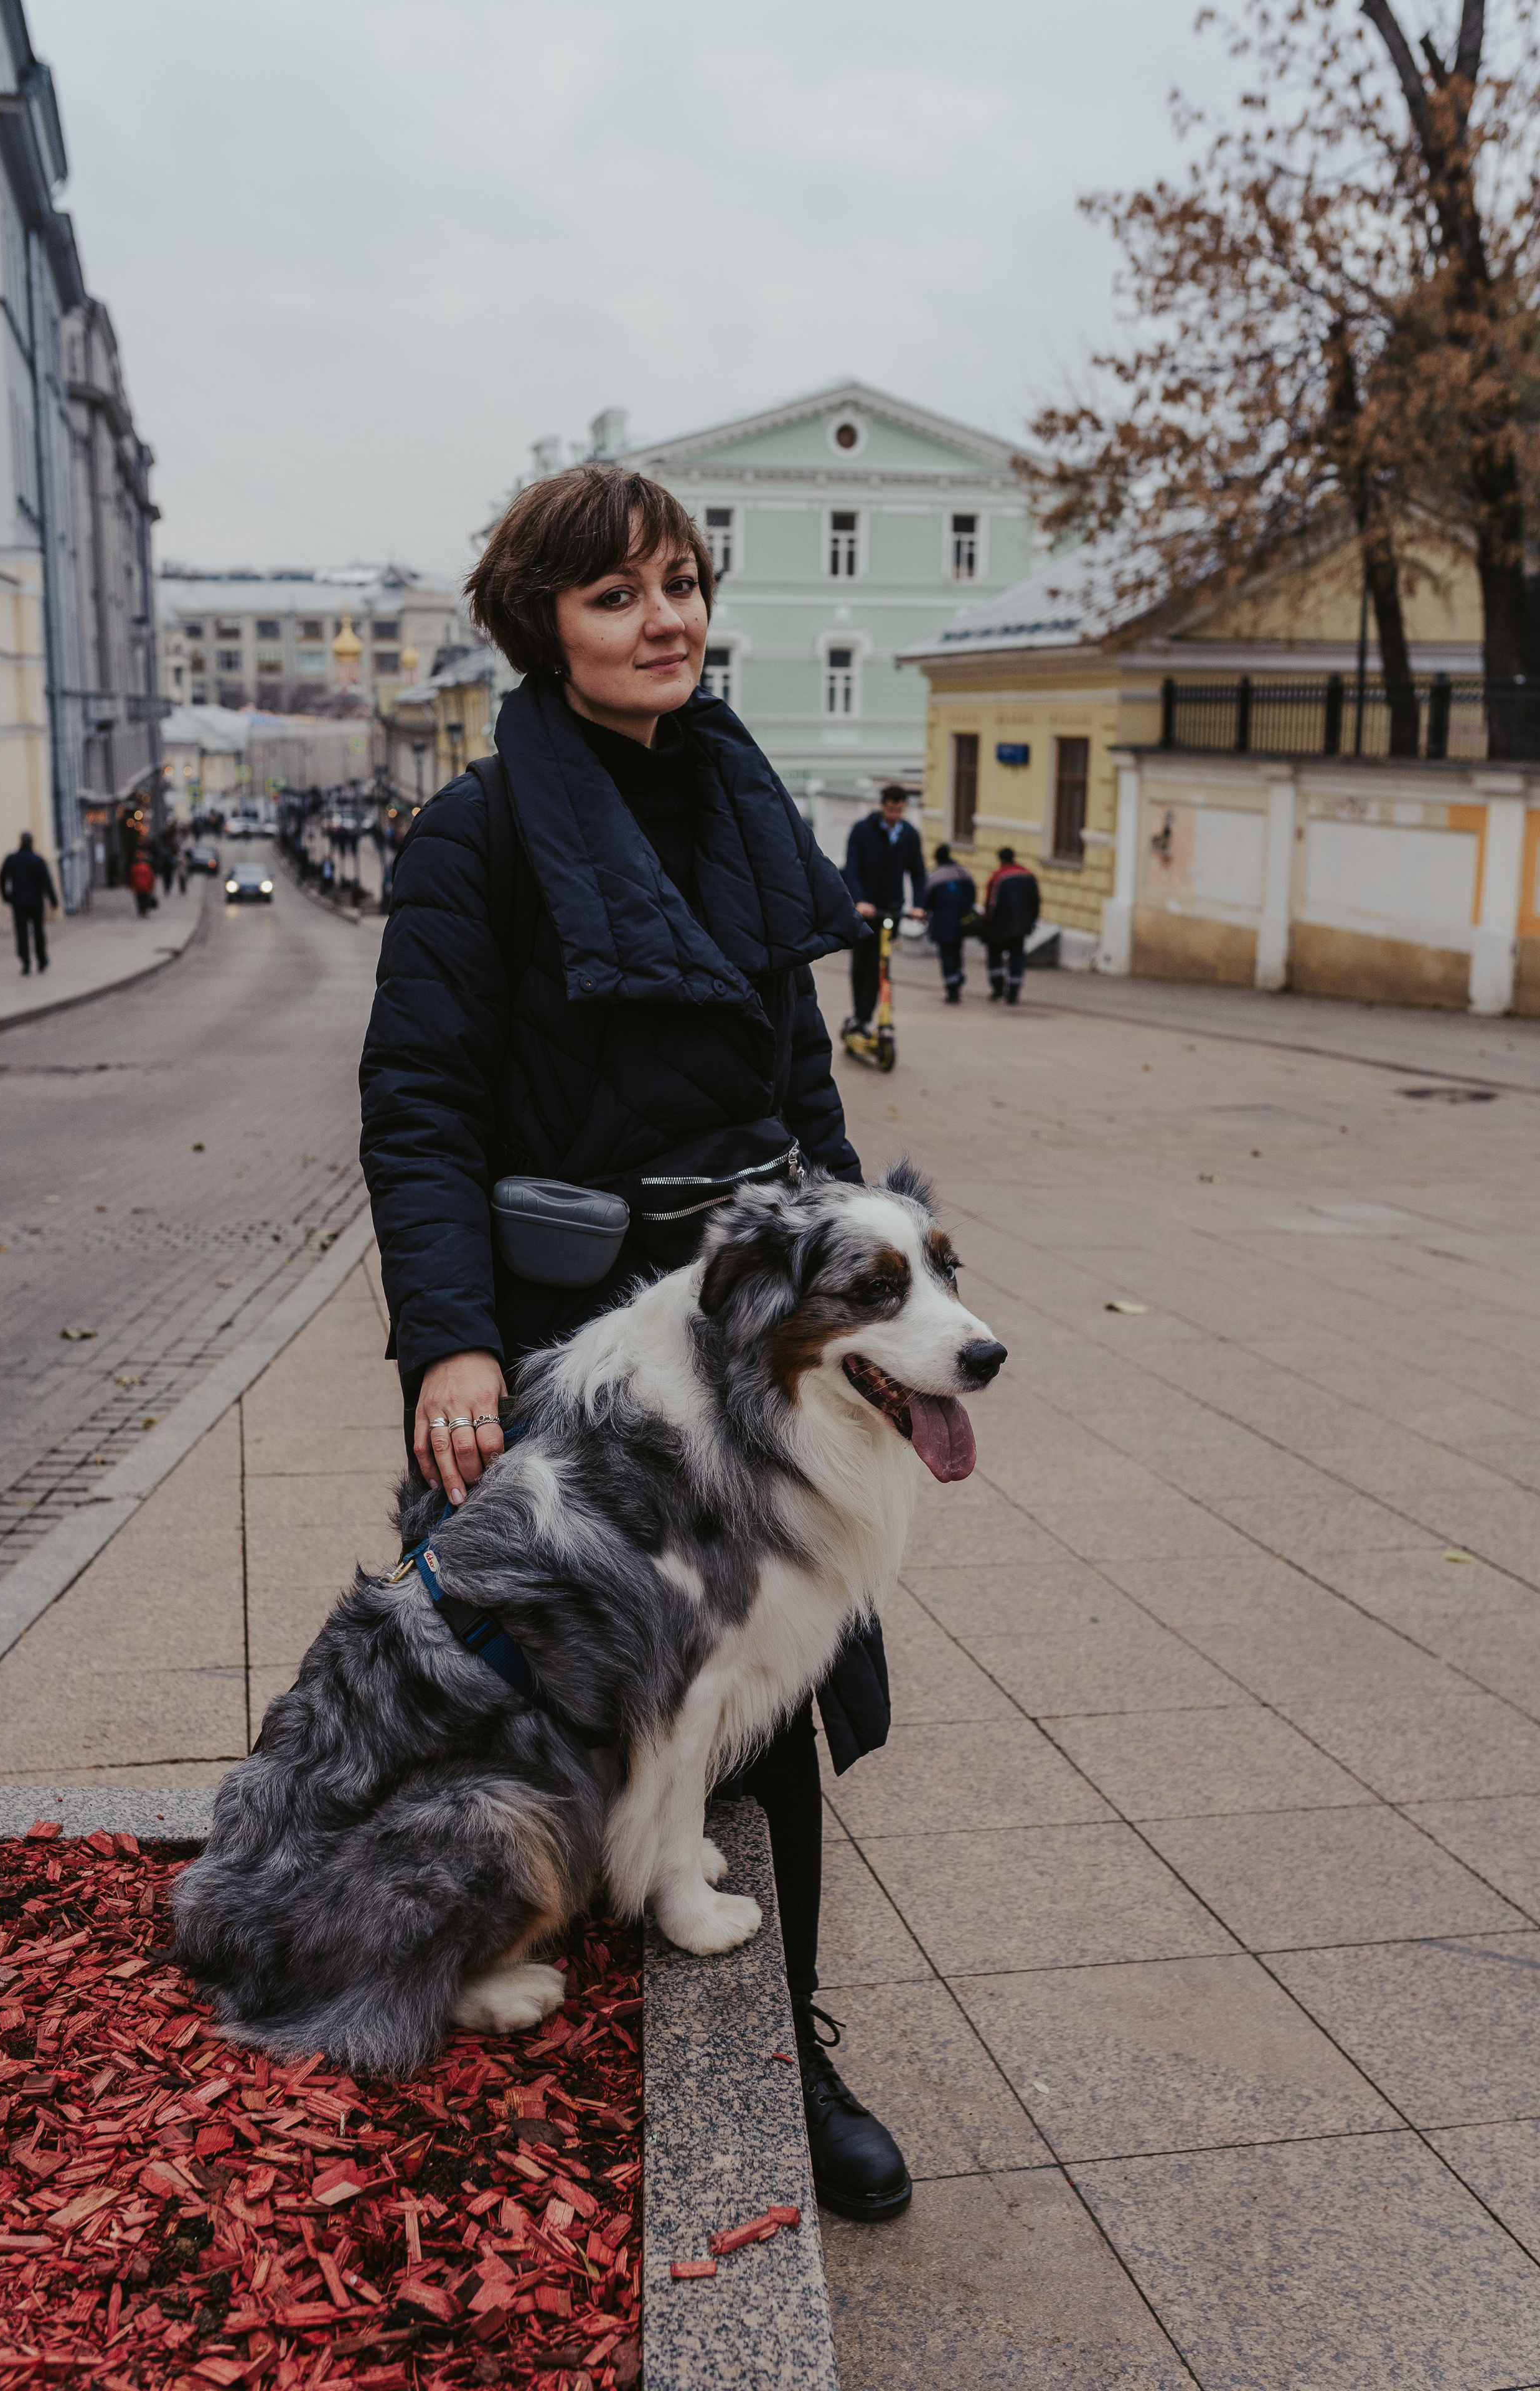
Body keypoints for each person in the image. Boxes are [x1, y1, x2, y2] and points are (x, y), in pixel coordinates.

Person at [359, 463, 913, 2225]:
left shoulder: (747, 807)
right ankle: (520, 1990)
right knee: (541, 1694)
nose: (664, 617)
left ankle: (784, 2049)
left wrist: (852, 1279)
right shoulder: (479, 834)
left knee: (771, 1684)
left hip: (750, 1325)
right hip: (569, 1348)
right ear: (545, 622)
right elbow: (422, 1107)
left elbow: (798, 1080)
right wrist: (449, 1345)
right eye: (617, 594)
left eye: (680, 583)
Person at [841, 784, 924, 1032]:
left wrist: (918, 906)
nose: (894, 815)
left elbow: (918, 874)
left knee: (881, 964)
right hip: (866, 911)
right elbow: (852, 870)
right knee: (863, 962)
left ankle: (870, 1016)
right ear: (883, 805)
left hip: (891, 910)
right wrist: (859, 900)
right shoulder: (862, 830)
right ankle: (860, 1015)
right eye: (891, 809)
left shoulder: (909, 834)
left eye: (899, 811)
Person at [983, 845, 1041, 1004]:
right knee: (1017, 957)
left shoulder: (998, 877)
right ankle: (1014, 991)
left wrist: (987, 921)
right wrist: (1032, 920)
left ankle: (998, 988)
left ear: (1001, 860)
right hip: (1021, 925)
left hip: (1000, 925)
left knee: (995, 955)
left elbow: (990, 903)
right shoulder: (1028, 875)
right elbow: (1036, 901)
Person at [923, 842, 977, 1005]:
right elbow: (972, 894)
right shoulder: (962, 872)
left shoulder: (934, 876)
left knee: (946, 954)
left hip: (942, 922)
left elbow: (926, 900)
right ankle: (958, 976)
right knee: (957, 950)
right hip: (961, 921)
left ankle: (952, 988)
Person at [0, 830, 58, 975]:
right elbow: (47, 882)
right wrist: (53, 900)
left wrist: (6, 896)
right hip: (36, 903)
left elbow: (1, 878)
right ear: (32, 842)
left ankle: (25, 962)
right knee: (38, 932)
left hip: (19, 903)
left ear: (20, 841)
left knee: (22, 933)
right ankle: (42, 961)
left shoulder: (12, 859)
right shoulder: (38, 860)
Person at [127, 850, 156, 917]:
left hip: (138, 886)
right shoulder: (147, 867)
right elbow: (151, 877)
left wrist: (131, 885)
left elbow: (131, 877)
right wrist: (151, 886)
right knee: (145, 898)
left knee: (139, 899)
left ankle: (141, 910)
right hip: (146, 886)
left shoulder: (134, 867)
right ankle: (144, 911)